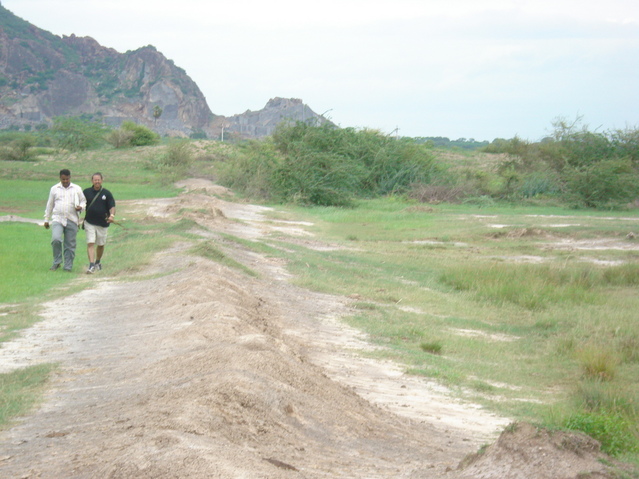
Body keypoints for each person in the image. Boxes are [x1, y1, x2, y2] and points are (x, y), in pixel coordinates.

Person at [44, 169, 86, 272]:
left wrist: (80, 207)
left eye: (67, 179)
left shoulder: (76, 189)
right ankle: (57, 262)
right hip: (58, 218)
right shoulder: (54, 189)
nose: (65, 181)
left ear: (70, 178)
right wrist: (46, 219)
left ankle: (68, 267)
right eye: (63, 179)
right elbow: (50, 204)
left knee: (70, 244)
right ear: (60, 178)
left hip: (72, 219)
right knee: (56, 239)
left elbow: (83, 201)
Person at [83, 172, 116, 274]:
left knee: (101, 244)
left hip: (103, 223)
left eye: (98, 180)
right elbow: (81, 203)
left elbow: (112, 206)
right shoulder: (86, 192)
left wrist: (111, 216)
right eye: (95, 180)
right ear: (92, 181)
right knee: (91, 242)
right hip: (90, 222)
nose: (97, 181)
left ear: (102, 180)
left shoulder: (107, 193)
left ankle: (98, 262)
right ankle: (91, 265)